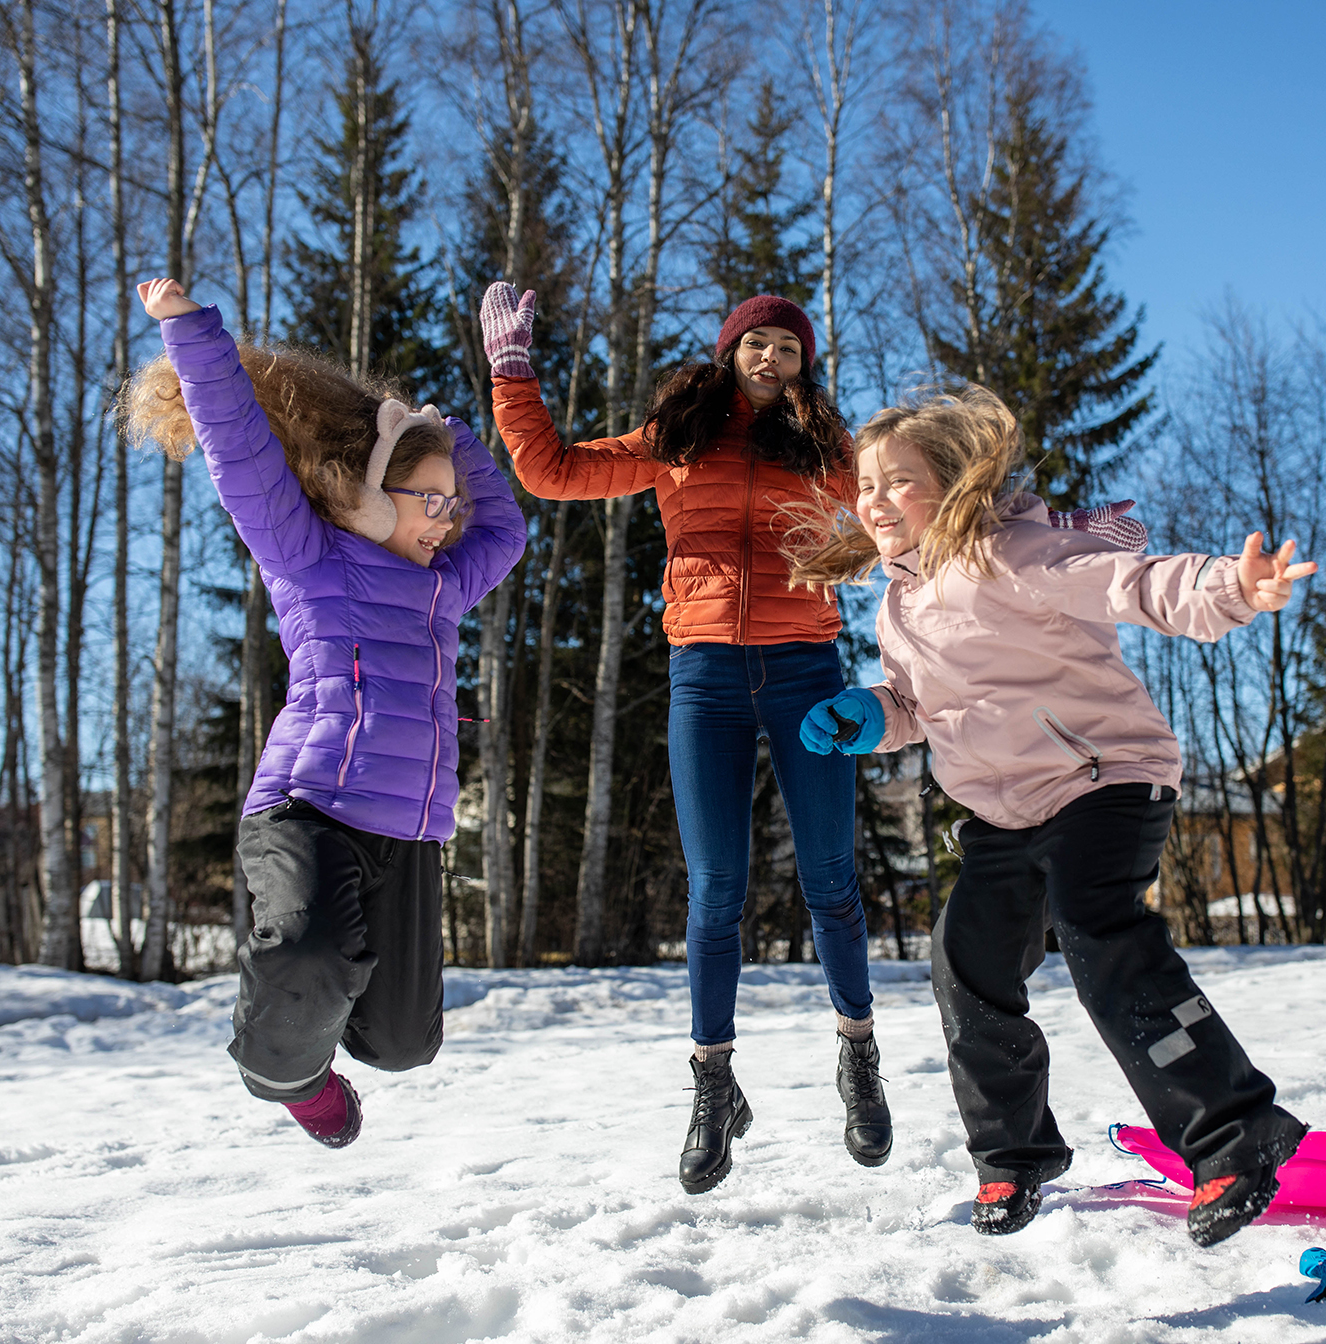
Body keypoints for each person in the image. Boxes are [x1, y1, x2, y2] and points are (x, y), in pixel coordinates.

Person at [786, 385, 1313, 1246]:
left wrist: (1232, 586)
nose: (875, 501)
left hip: (1102, 778)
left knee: (1095, 924)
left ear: (953, 483)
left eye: (899, 482)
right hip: (1003, 813)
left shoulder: (1013, 552)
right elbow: (919, 705)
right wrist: (872, 714)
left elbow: (1133, 582)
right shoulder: (898, 604)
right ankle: (1013, 1155)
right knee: (965, 961)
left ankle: (1233, 1131)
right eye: (866, 485)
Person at [477, 282, 889, 1194]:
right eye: (757, 342)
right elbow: (551, 470)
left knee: (830, 879)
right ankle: (713, 1084)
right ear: (730, 351)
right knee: (716, 889)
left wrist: (1044, 528)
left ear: (804, 364)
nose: (771, 357)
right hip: (704, 677)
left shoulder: (831, 451)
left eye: (788, 346)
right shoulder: (679, 437)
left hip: (807, 671)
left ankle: (858, 1057)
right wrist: (512, 373)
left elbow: (916, 510)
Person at [124, 277, 526, 1147]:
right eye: (429, 500)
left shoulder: (446, 586)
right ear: (372, 494)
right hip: (310, 810)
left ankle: (322, 1027)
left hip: (408, 833)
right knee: (309, 955)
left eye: (452, 503)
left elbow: (507, 533)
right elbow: (240, 452)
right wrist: (192, 336)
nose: (447, 520)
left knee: (404, 1044)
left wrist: (452, 436)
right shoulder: (310, 559)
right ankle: (290, 1075)